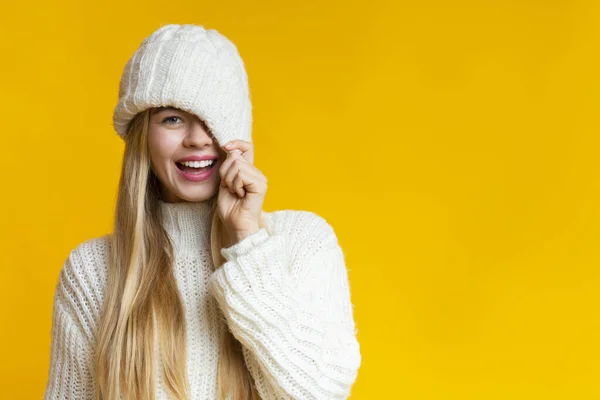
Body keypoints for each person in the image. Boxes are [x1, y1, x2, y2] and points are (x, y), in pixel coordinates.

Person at [43, 23, 361, 400]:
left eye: (213, 120)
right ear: (143, 136)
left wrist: (246, 243)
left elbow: (321, 391)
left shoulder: (301, 243)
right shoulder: (92, 271)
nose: (197, 138)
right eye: (173, 118)